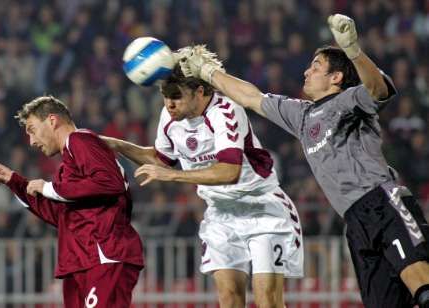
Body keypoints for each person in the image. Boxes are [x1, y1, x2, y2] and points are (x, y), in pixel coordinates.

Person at [177, 13, 429, 308]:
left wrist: (353, 51)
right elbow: (251, 97)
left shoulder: (350, 100)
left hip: (382, 201)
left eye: (316, 67)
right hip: (353, 220)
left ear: (335, 78)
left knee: (422, 283)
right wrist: (208, 72)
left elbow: (378, 90)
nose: (307, 72)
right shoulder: (302, 115)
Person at [102, 66, 303, 308]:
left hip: (262, 208)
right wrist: (117, 145)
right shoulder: (169, 119)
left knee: (267, 300)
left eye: (176, 96)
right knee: (229, 298)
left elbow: (229, 171)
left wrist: (173, 175)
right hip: (220, 213)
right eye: (165, 96)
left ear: (199, 91)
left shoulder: (226, 111)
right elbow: (160, 159)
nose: (169, 104)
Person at [0, 96, 144, 307]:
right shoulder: (66, 167)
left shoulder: (80, 140)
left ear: (52, 120)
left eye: (32, 130)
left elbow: (109, 182)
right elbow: (59, 214)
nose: (31, 142)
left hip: (103, 255)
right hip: (79, 261)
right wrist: (16, 183)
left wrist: (48, 187)